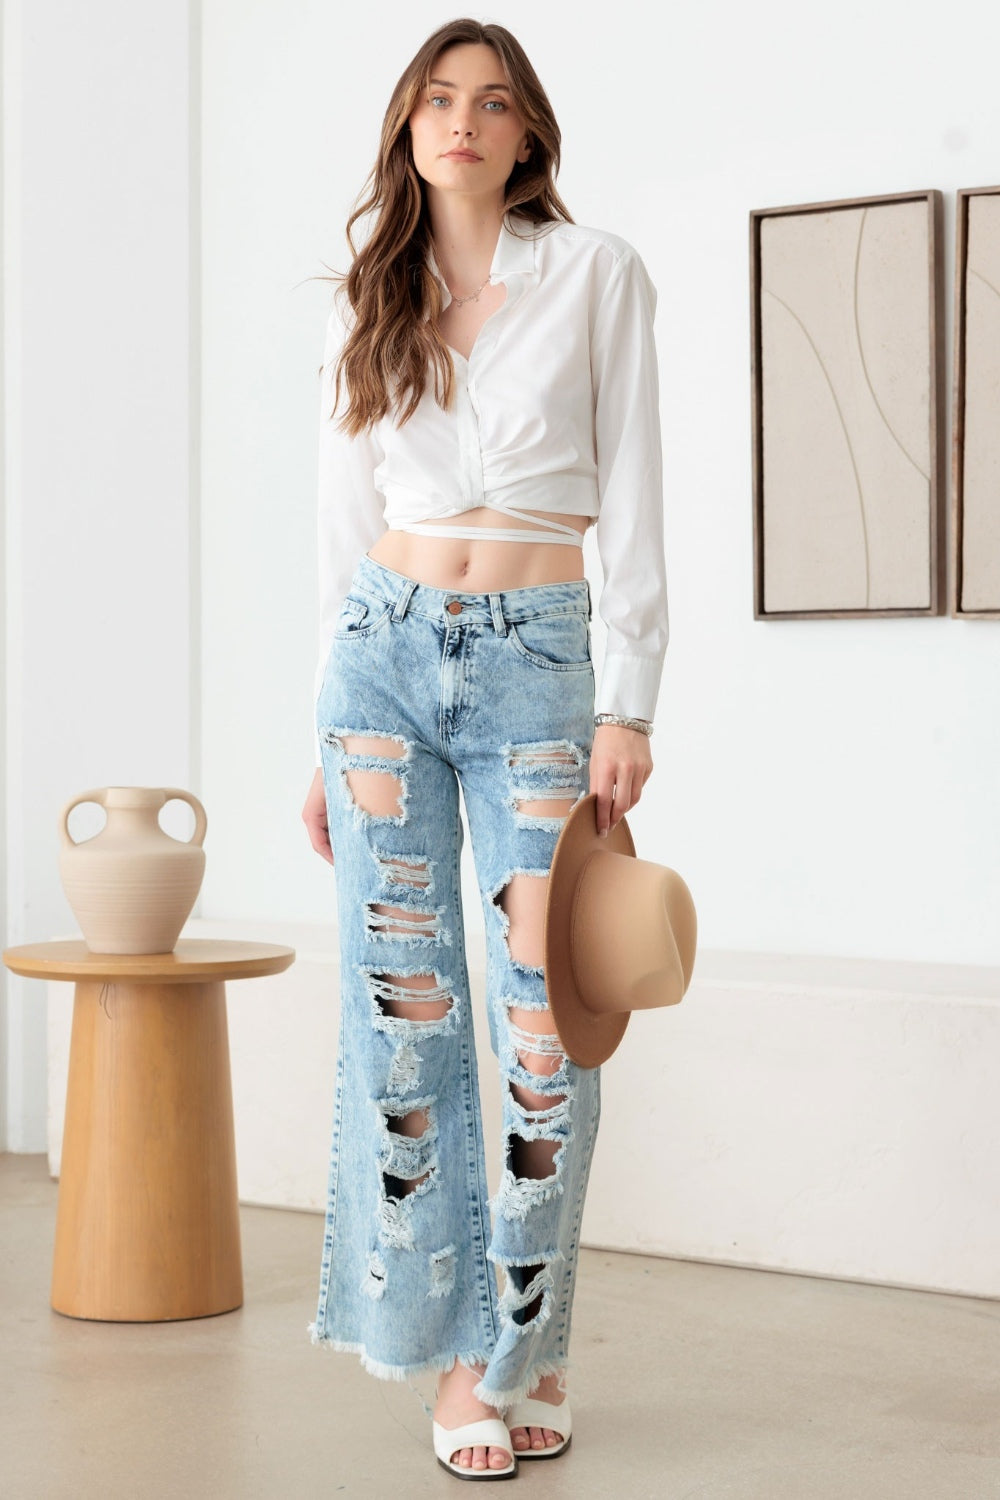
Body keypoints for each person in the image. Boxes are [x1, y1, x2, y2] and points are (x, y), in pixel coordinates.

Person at [302, 17, 668, 1481]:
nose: (463, 121)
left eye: (493, 103)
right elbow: (334, 533)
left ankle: (531, 1336)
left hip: (537, 665)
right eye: (439, 99)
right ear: (409, 128)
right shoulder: (366, 300)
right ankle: (462, 1362)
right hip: (376, 665)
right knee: (404, 1024)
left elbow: (635, 485)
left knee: (539, 1029)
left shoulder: (595, 275)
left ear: (528, 139)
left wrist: (630, 696)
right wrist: (309, 738)